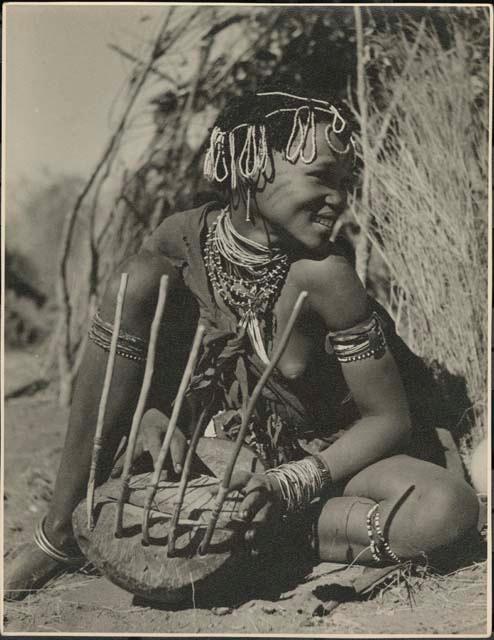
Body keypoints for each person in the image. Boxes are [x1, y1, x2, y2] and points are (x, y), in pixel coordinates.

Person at [5, 87, 479, 601]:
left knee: (445, 508)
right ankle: (59, 534)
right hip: (212, 454)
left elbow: (387, 420)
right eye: (321, 176)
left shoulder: (326, 277)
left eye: (346, 183)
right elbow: (152, 367)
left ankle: (264, 534)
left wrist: (286, 483)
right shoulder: (179, 242)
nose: (339, 199)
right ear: (251, 166)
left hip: (325, 461)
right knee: (135, 281)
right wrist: (151, 416)